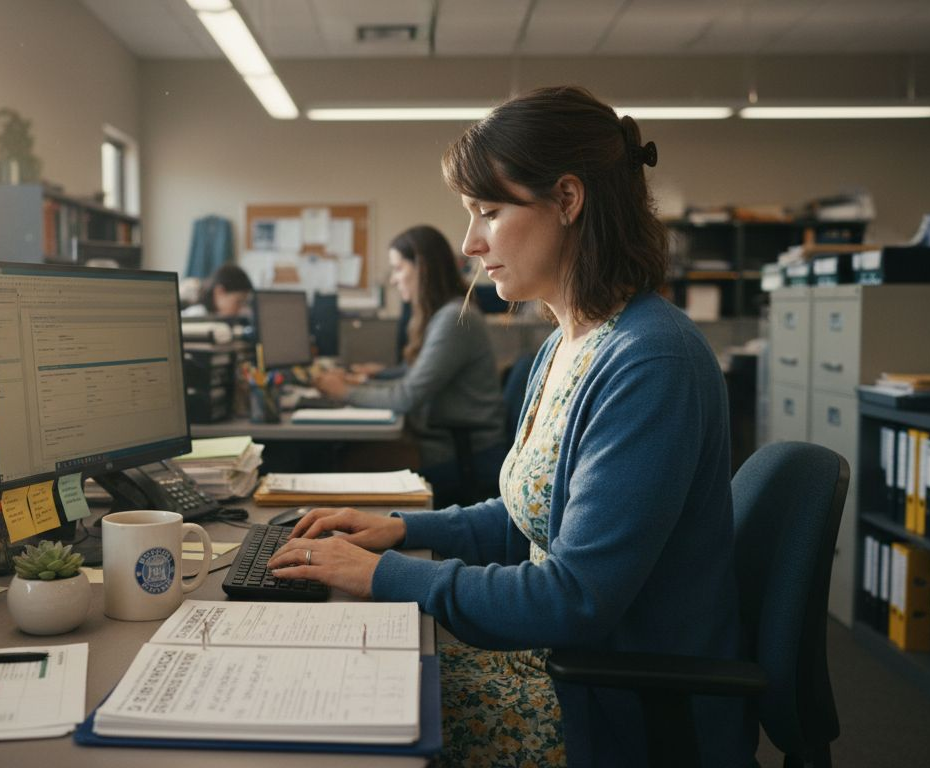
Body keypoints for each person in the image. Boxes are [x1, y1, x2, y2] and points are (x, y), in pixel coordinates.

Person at [268, 86, 749, 767]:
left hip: (613, 707)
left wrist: (383, 575)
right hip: (560, 666)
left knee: (338, 714)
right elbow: (530, 519)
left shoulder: (651, 361)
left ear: (568, 200)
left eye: (488, 212)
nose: (469, 242)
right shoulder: (566, 342)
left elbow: (574, 598)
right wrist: (403, 531)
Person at [312, 225, 505, 506]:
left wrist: (344, 392)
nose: (393, 279)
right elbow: (411, 380)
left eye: (398, 268)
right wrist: (362, 384)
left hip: (462, 452)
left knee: (344, 461)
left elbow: (407, 396)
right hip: (447, 441)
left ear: (422, 269)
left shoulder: (454, 318)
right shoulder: (442, 314)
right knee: (347, 454)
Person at [181, 263, 253, 318]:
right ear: (220, 292)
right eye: (238, 302)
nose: (241, 310)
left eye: (244, 303)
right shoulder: (196, 316)